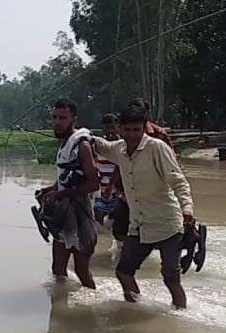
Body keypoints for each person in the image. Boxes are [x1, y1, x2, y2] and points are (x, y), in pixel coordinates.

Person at [92, 104, 195, 309]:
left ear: (144, 128)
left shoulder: (156, 148)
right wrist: (81, 135)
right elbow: (100, 145)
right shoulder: (119, 149)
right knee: (123, 272)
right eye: (127, 130)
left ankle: (181, 315)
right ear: (120, 129)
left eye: (136, 130)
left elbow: (178, 181)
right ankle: (136, 310)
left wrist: (187, 208)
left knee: (170, 277)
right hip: (139, 224)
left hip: (166, 222)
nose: (131, 135)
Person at [34, 99, 101, 289]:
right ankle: (59, 310)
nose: (57, 122)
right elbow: (65, 178)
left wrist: (63, 194)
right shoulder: (65, 144)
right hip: (63, 217)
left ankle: (90, 312)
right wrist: (51, 189)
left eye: (62, 117)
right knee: (58, 269)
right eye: (54, 117)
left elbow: (94, 183)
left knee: (82, 271)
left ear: (73, 119)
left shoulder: (82, 145)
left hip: (80, 215)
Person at [109, 98, 176, 243]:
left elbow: (171, 163)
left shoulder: (159, 137)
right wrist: (111, 183)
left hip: (154, 185)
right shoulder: (124, 136)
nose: (131, 134)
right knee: (119, 226)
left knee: (167, 231)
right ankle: (126, 249)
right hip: (129, 185)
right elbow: (119, 158)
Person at [93, 113, 120, 226]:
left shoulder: (121, 145)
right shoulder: (99, 145)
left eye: (112, 128)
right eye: (106, 128)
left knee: (116, 222)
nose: (109, 131)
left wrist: (111, 185)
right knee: (98, 219)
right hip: (100, 189)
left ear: (117, 127)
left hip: (117, 190)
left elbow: (120, 167)